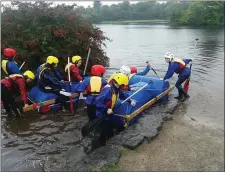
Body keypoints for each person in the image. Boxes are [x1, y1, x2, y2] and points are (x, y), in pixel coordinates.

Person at [95, 73, 136, 145]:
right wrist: (106, 109)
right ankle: (102, 143)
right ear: (118, 83)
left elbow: (123, 95)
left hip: (109, 111)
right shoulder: (107, 90)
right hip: (103, 112)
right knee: (104, 129)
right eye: (122, 85)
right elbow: (98, 102)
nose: (123, 87)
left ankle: (110, 136)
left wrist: (130, 101)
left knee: (109, 126)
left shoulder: (117, 89)